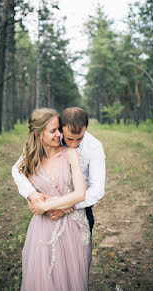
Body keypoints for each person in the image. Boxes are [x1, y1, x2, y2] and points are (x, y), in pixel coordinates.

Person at [17, 108, 91, 291]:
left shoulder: (70, 154)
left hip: (72, 228)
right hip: (42, 229)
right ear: (38, 133)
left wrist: (45, 205)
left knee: (71, 279)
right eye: (53, 131)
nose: (60, 134)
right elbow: (16, 172)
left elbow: (80, 194)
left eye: (59, 129)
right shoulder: (31, 158)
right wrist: (31, 196)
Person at [12, 107, 106, 233]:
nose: (74, 144)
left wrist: (67, 206)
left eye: (79, 138)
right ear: (62, 128)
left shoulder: (94, 147)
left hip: (80, 206)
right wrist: (32, 195)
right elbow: (18, 170)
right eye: (69, 139)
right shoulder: (51, 140)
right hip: (47, 208)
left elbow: (97, 189)